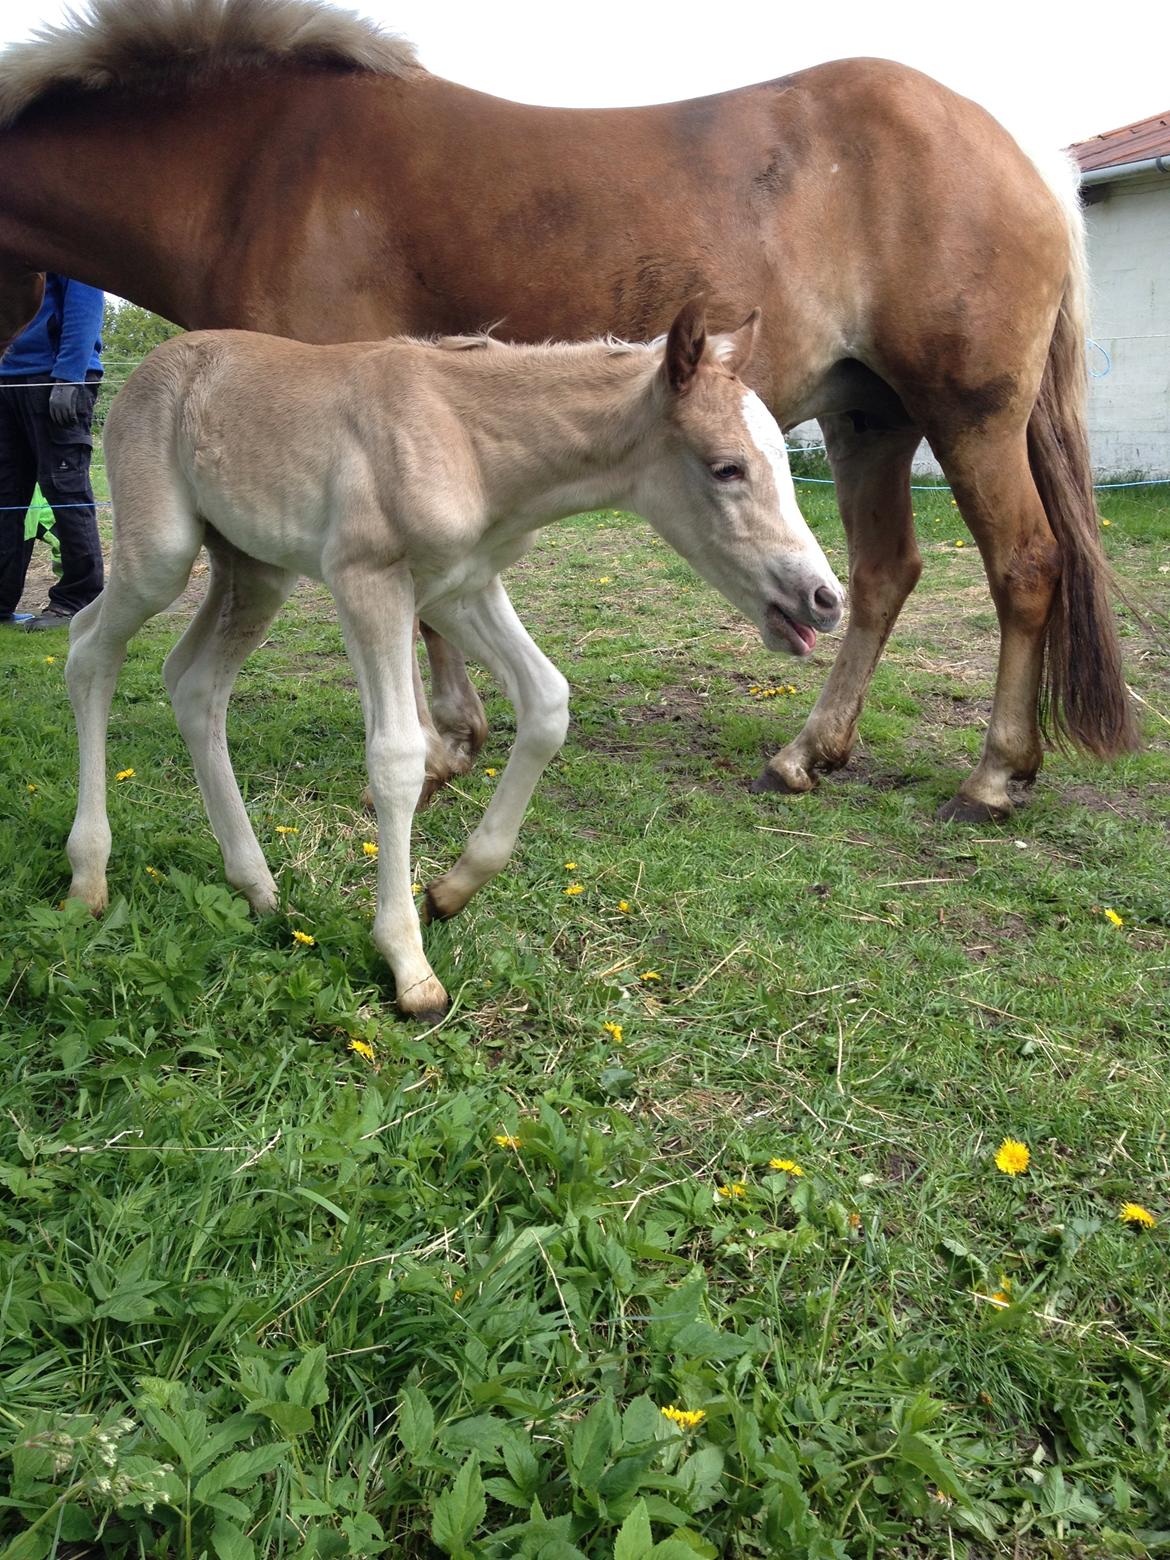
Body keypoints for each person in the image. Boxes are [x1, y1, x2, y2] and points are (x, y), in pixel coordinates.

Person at [0, 274, 105, 629]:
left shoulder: (64, 243)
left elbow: (86, 298)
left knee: (64, 488)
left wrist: (70, 375)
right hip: (7, 377)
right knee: (5, 496)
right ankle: (1, 600)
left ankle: (78, 601)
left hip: (54, 376)